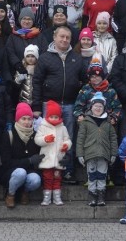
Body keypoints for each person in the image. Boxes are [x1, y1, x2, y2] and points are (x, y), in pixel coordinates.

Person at [32, 25, 88, 178]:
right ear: (54, 37)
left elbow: (85, 81)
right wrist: (36, 106)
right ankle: (48, 170)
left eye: (67, 37)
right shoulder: (44, 57)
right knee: (48, 138)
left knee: (67, 139)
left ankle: (67, 170)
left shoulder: (77, 58)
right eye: (61, 36)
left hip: (70, 104)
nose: (64, 40)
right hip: (48, 104)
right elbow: (36, 82)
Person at [77, 92, 118, 207]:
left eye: (100, 106)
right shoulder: (85, 121)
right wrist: (80, 154)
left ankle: (101, 195)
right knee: (91, 175)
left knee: (101, 175)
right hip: (89, 153)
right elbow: (80, 139)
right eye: (96, 106)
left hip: (104, 154)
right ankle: (92, 195)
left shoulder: (108, 122)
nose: (98, 108)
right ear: (91, 107)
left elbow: (113, 139)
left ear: (104, 108)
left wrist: (113, 153)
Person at [1, 102, 44, 208]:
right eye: (23, 119)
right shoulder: (9, 135)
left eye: (29, 119)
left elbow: (40, 157)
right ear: (17, 119)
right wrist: (28, 161)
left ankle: (24, 192)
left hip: (29, 171)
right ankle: (10, 194)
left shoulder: (36, 136)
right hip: (11, 172)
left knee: (35, 179)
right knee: (20, 172)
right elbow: (6, 162)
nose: (26, 122)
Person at [35, 100, 72, 206]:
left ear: (59, 117)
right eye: (52, 117)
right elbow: (37, 140)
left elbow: (68, 140)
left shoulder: (63, 127)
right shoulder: (43, 127)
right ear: (48, 117)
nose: (54, 119)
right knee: (47, 178)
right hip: (47, 159)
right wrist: (45, 139)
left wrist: (66, 145)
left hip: (59, 159)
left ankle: (57, 197)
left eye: (56, 117)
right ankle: (46, 197)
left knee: (57, 179)